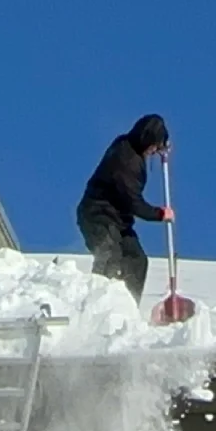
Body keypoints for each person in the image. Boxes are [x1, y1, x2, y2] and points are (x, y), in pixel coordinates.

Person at [77, 114, 172, 302]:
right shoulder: (125, 161)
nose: (153, 151)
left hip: (118, 221)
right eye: (153, 146)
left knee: (137, 260)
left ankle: (127, 307)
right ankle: (94, 304)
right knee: (109, 255)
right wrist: (160, 214)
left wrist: (163, 146)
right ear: (145, 141)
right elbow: (133, 203)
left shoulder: (130, 144)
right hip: (97, 215)